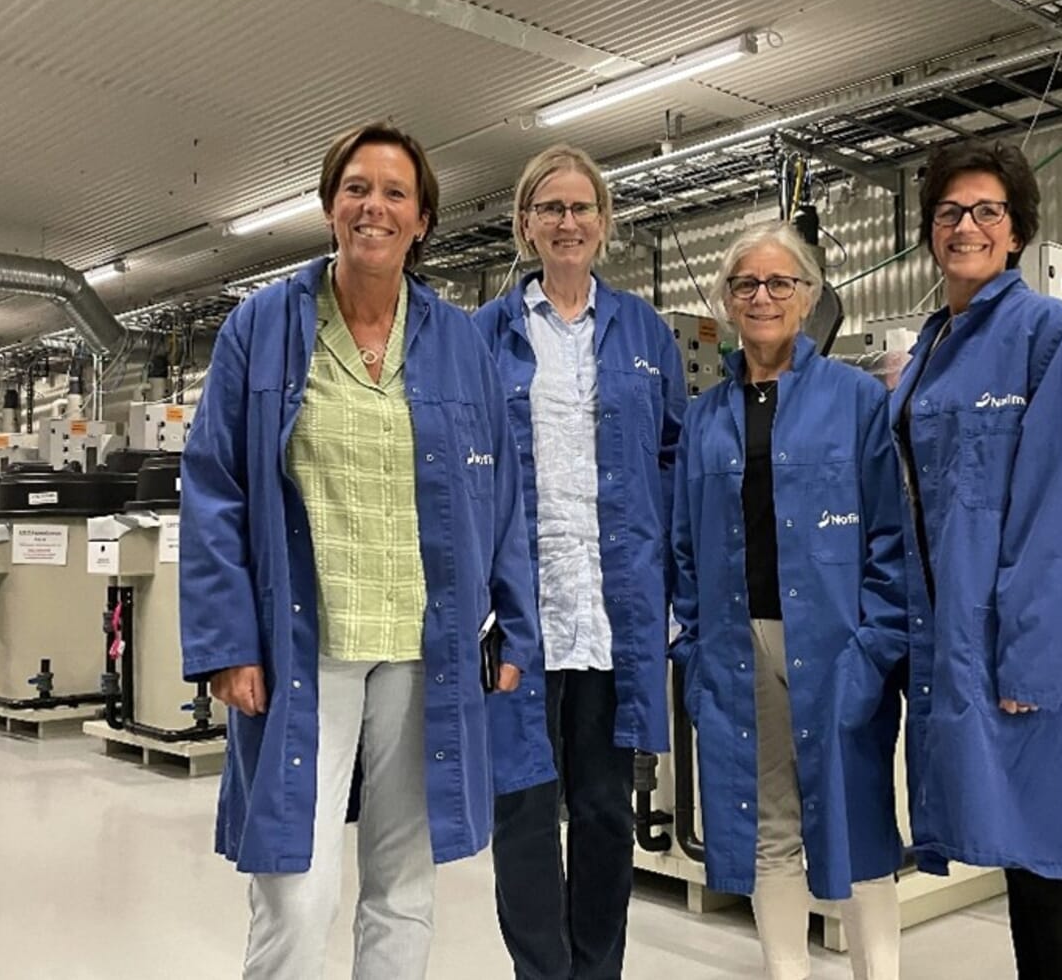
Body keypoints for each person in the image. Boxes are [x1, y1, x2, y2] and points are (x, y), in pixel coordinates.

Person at [179, 122, 553, 980]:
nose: (373, 207)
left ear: (422, 220)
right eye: (356, 189)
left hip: (426, 649)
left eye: (394, 193)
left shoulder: (459, 342)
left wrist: (515, 632)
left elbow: (504, 497)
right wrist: (229, 643)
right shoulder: (262, 328)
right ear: (328, 206)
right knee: (293, 880)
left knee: (404, 879)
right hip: (303, 644)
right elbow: (212, 489)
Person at [892, 138, 1062, 980]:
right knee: (1018, 863)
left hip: (1038, 650)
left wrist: (1029, 664)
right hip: (962, 642)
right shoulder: (931, 348)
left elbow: (1061, 515)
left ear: (1016, 229)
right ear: (930, 230)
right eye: (949, 211)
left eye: (986, 211)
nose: (966, 226)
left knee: (1052, 867)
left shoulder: (1054, 335)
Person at [670, 221, 910, 980]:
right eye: (747, 285)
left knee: (858, 823)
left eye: (780, 283)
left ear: (808, 297)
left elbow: (888, 535)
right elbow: (684, 547)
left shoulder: (854, 401)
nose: (763, 297)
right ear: (727, 302)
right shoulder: (706, 415)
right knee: (765, 826)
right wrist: (694, 648)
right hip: (739, 650)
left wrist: (875, 646)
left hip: (838, 646)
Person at [473, 144, 686, 980]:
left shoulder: (644, 332)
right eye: (550, 208)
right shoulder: (481, 335)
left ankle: (597, 971)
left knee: (603, 811)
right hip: (518, 617)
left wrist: (672, 590)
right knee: (523, 811)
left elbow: (672, 457)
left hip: (612, 615)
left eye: (582, 207)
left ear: (605, 224)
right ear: (525, 224)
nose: (568, 222)